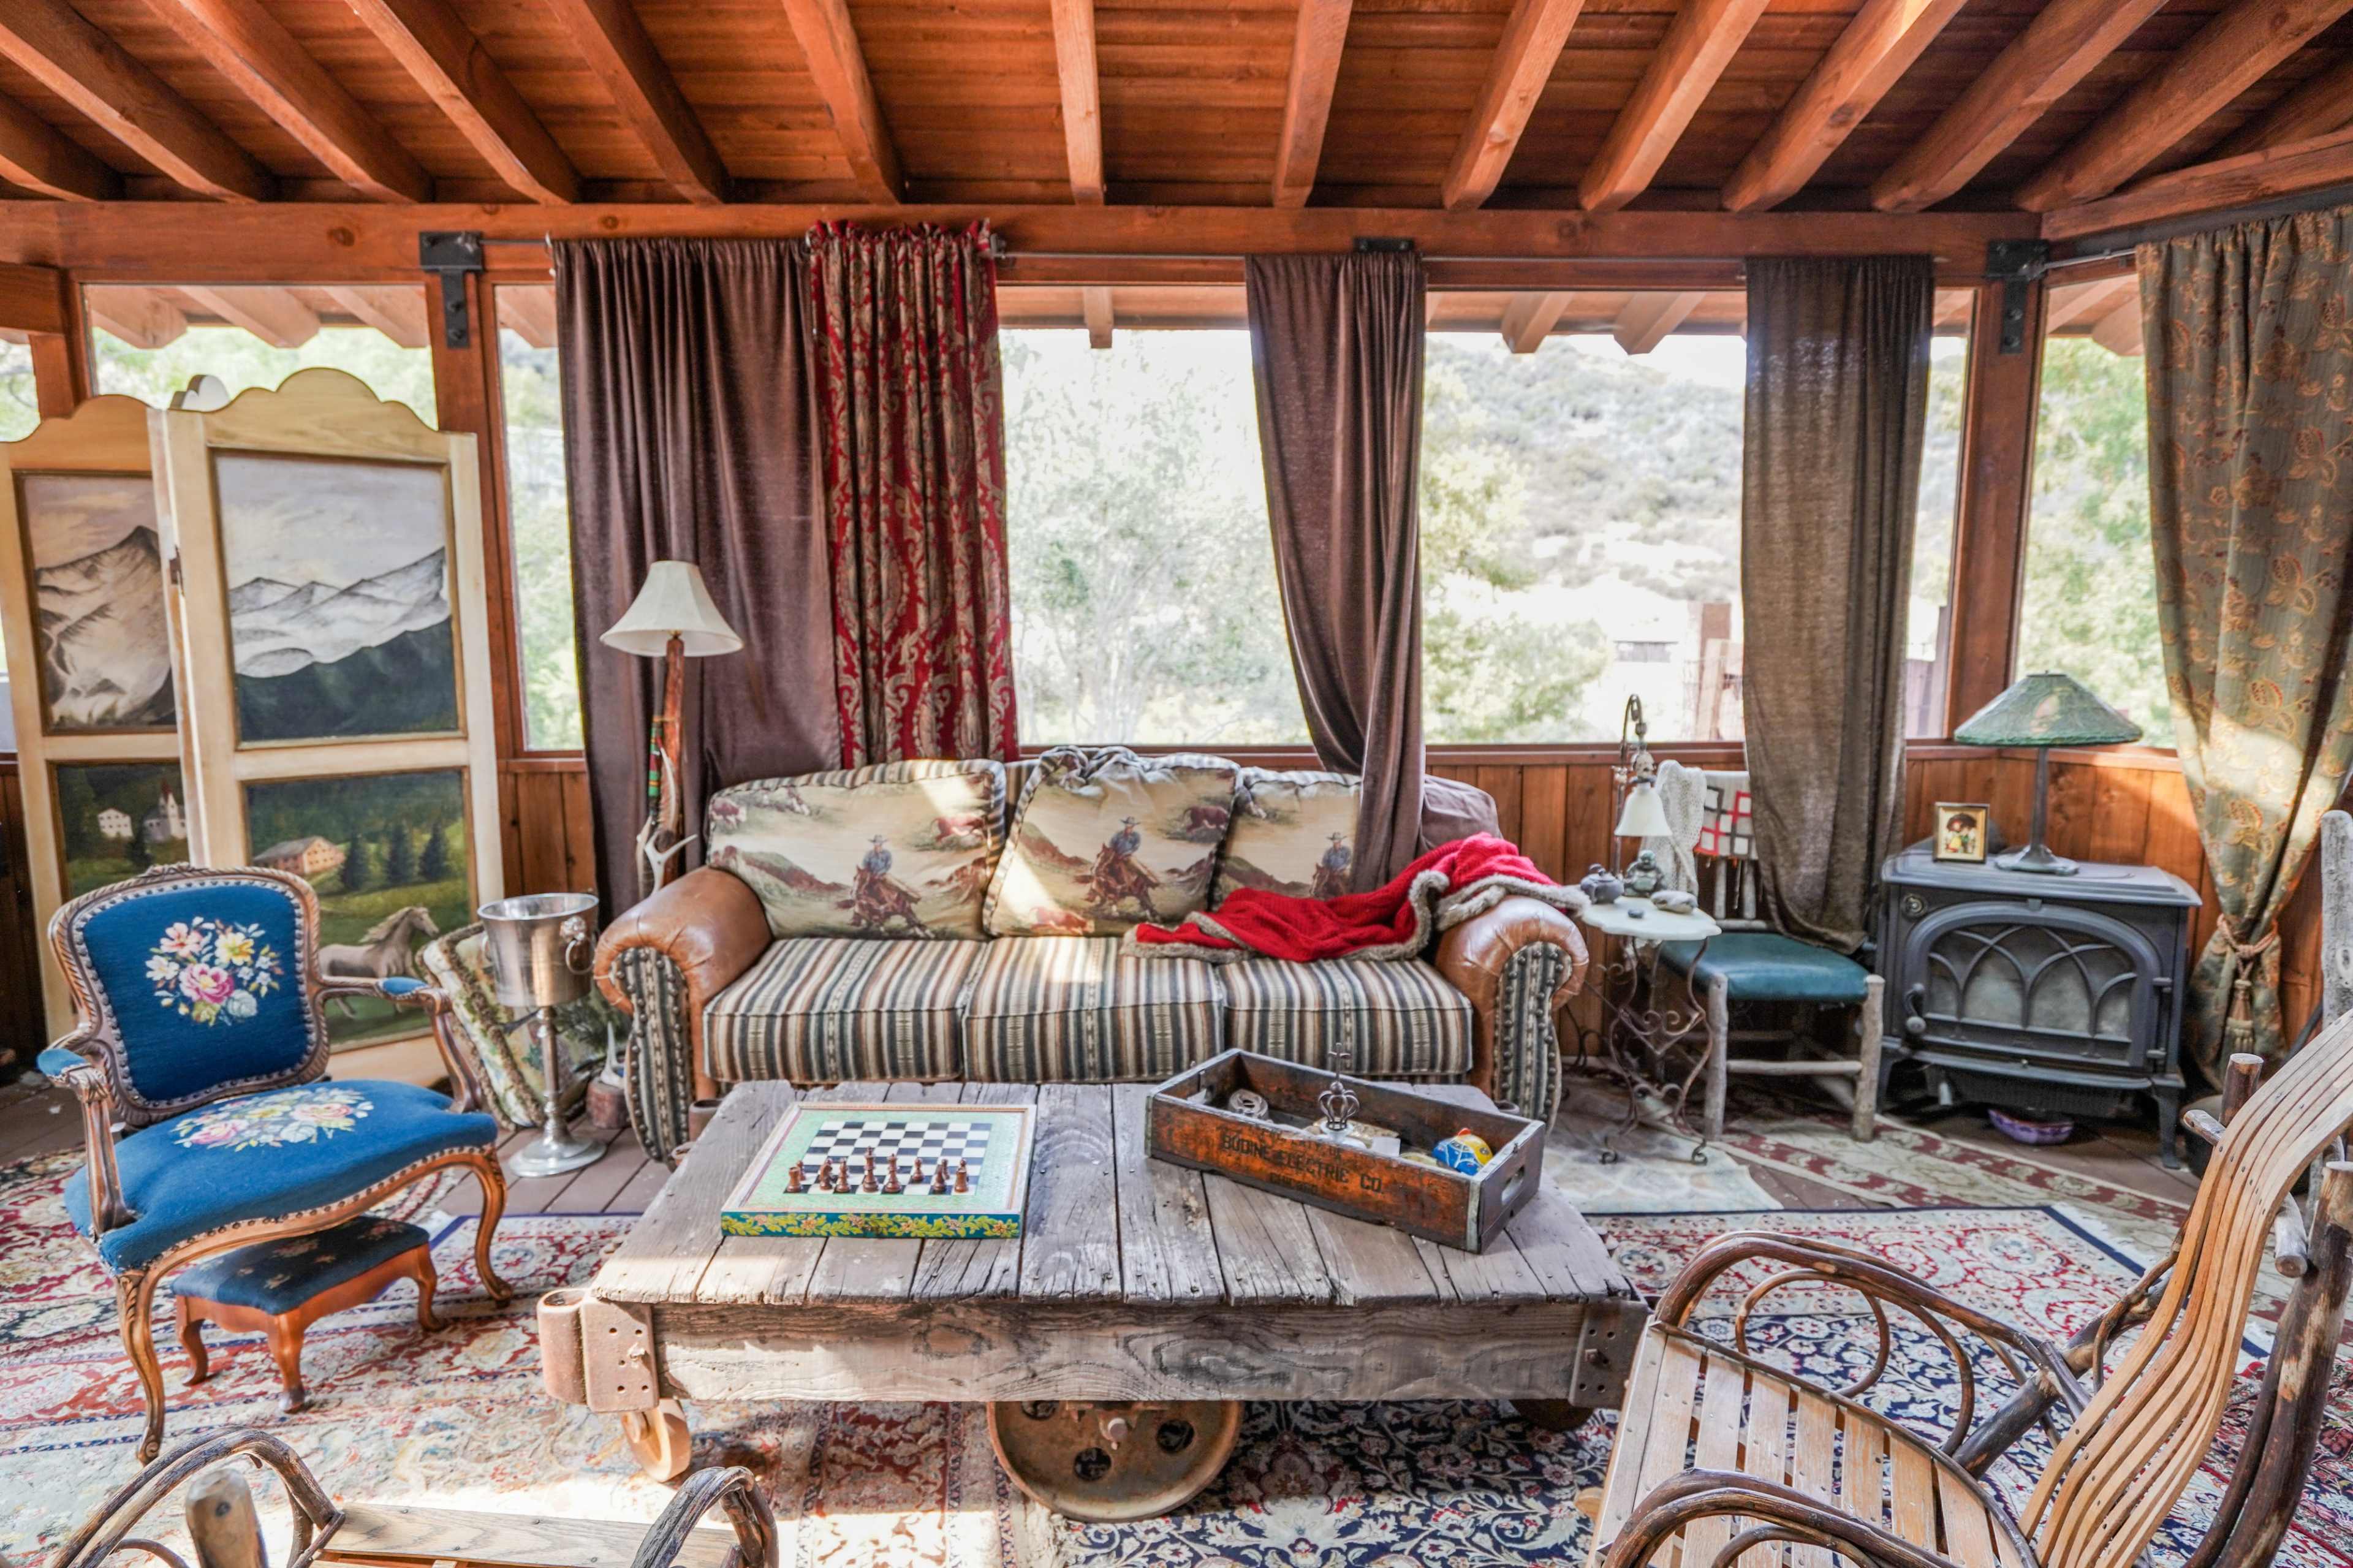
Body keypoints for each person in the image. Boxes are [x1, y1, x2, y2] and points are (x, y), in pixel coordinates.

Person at [1086, 816, 1162, 918]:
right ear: (1125, 825)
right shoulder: (1118, 835)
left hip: (1127, 856)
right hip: (1116, 855)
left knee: (1139, 867)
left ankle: (1149, 879)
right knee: (1102, 867)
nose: (1129, 827)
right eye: (1128, 825)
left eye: (1131, 826)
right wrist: (1114, 853)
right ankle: (1093, 892)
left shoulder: (1136, 836)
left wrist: (1126, 853)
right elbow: (1112, 844)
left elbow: (1135, 847)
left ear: (1133, 826)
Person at [850, 834, 923, 932]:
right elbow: (865, 864)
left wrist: (880, 873)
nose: (877, 845)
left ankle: (910, 895)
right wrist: (869, 873)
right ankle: (856, 917)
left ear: (882, 844)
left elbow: (888, 865)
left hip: (883, 875)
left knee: (897, 884)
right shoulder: (869, 854)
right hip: (870, 876)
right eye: (876, 843)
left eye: (879, 843)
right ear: (874, 844)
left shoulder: (887, 854)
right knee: (860, 888)